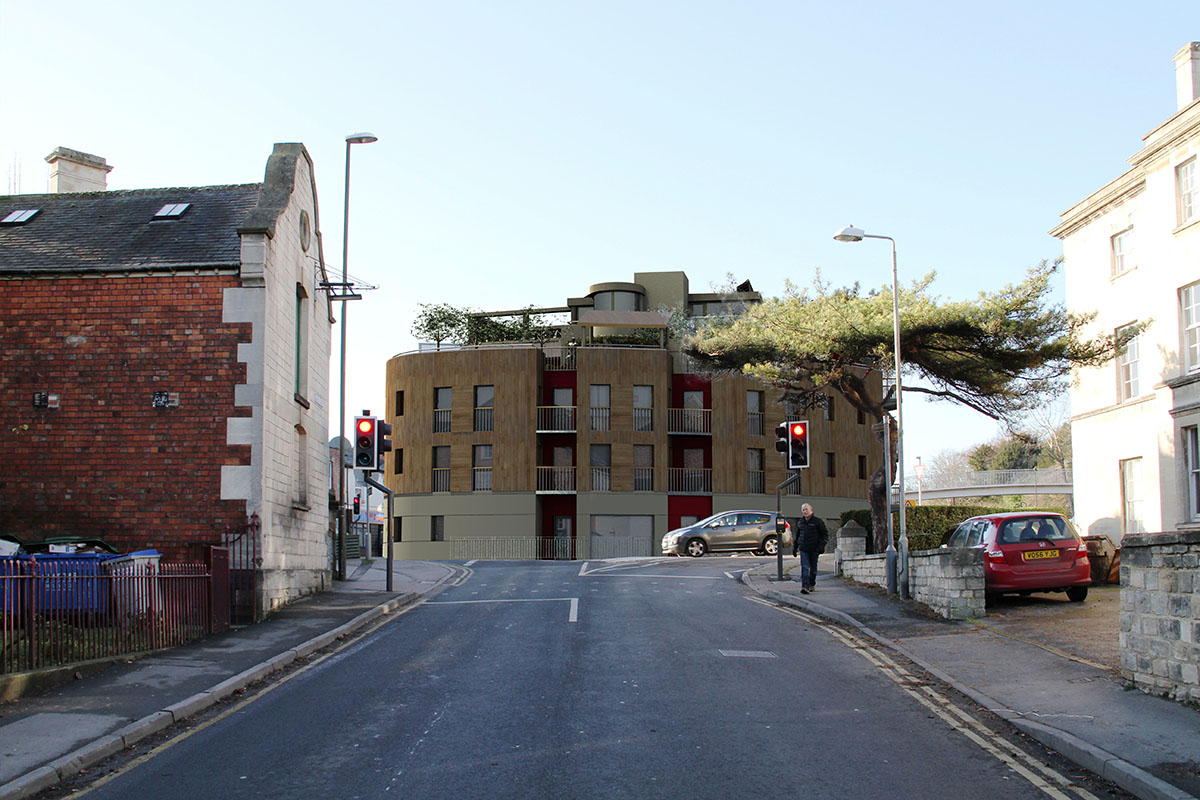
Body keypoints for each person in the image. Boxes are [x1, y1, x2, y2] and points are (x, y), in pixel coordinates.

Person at [791, 503, 828, 594]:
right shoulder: (800, 522)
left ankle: (812, 584)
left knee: (813, 570)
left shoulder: (817, 522)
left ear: (811, 510)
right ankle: (805, 586)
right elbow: (798, 536)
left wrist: (821, 546)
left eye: (806, 509)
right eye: (803, 510)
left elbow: (824, 535)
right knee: (805, 567)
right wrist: (795, 548)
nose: (805, 511)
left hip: (814, 549)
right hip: (804, 548)